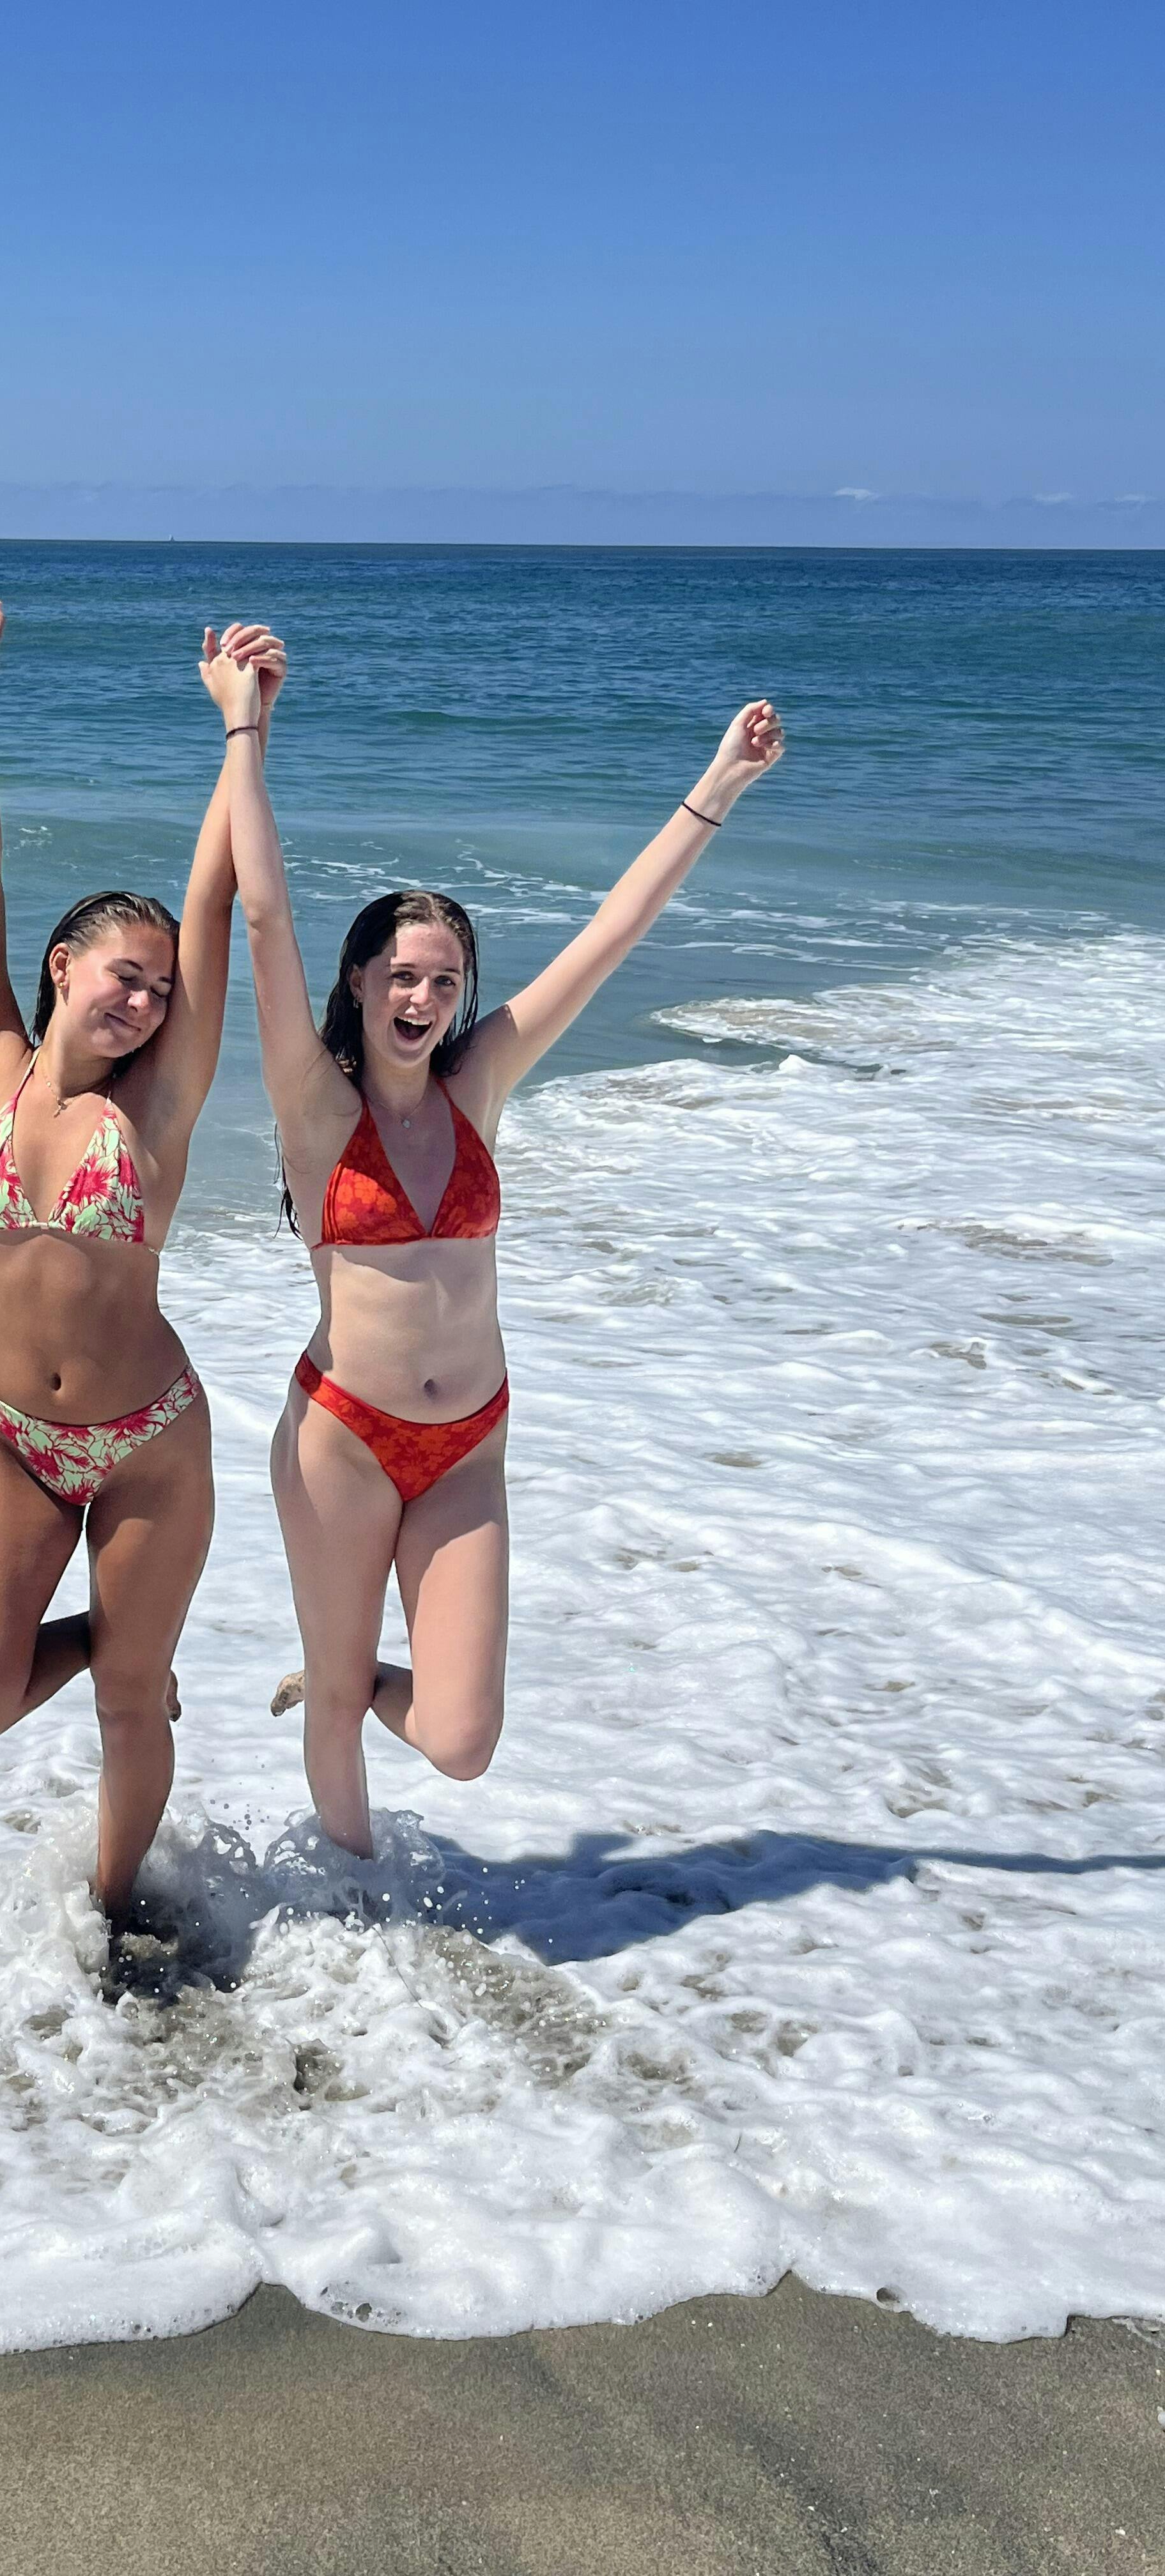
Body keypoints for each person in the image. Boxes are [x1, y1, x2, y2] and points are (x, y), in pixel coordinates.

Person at [200, 635, 785, 1855]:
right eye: (401, 976)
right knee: (341, 1713)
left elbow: (611, 934)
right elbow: (261, 918)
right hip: (342, 1437)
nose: (422, 999)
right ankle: (352, 1899)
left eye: (445, 980)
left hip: (470, 1440)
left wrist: (719, 783)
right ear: (359, 981)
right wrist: (245, 727)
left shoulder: (478, 1089)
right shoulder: (317, 1111)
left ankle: (342, 1673)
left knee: (462, 1739)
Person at [0, 601, 285, 1914]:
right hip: (9, 1436)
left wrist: (243, 727)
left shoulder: (156, 1112)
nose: (144, 1002)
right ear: (64, 966)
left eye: (161, 992)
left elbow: (217, 899)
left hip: (147, 1443)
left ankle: (115, 1904)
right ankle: (109, 1641)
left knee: (135, 1711)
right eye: (125, 977)